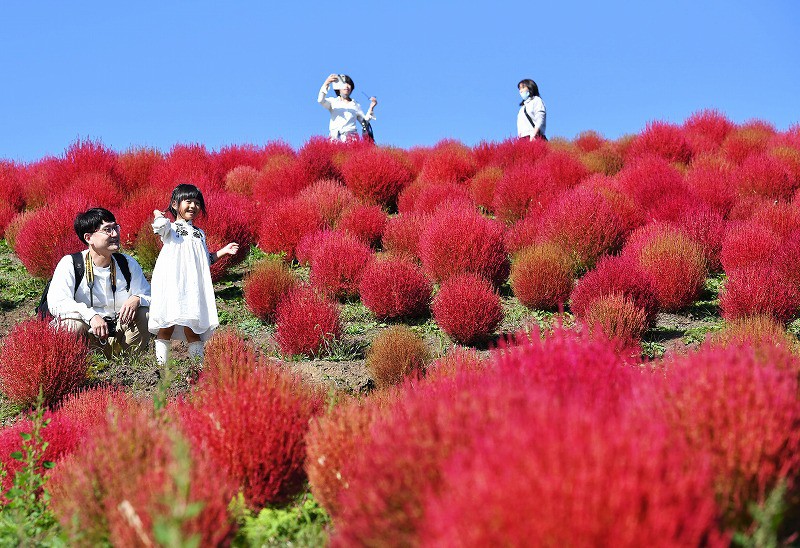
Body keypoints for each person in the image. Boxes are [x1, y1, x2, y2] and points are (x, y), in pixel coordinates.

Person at [148, 183, 239, 364]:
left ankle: (197, 369)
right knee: (166, 324)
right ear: (175, 205)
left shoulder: (199, 233)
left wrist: (223, 251)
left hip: (192, 286)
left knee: (193, 328)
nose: (193, 206)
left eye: (197, 203)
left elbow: (206, 260)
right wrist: (159, 214)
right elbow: (159, 227)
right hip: (172, 284)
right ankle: (160, 368)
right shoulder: (170, 229)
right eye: (188, 201)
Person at [47, 207, 151, 356]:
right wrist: (90, 315)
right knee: (69, 326)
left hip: (118, 333)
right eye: (107, 230)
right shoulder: (71, 264)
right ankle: (81, 365)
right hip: (89, 335)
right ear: (88, 238)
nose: (115, 234)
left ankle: (129, 363)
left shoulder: (127, 263)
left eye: (115, 228)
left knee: (144, 312)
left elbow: (149, 295)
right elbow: (57, 303)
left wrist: (137, 299)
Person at [318, 73, 377, 141]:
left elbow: (364, 121)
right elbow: (320, 100)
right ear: (338, 87)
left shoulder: (355, 105)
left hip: (351, 140)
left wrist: (371, 107)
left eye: (349, 84)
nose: (346, 86)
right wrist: (326, 83)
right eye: (343, 84)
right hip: (335, 140)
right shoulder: (333, 102)